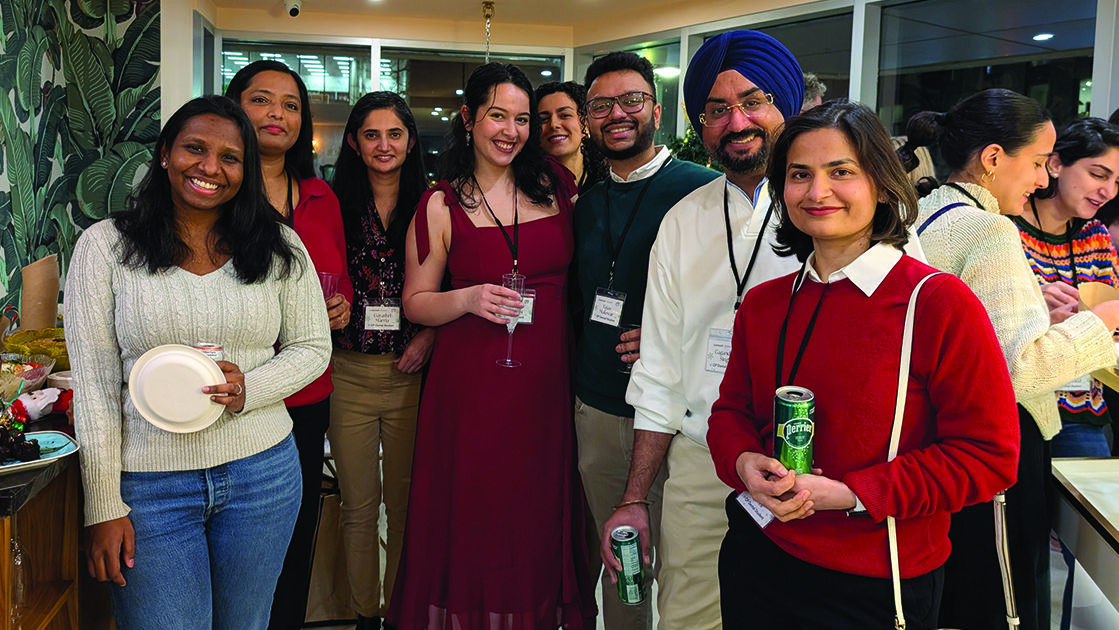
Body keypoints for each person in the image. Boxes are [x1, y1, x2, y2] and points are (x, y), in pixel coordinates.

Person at [708, 100, 1020, 630]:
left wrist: (856, 494)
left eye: (841, 172)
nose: (817, 192)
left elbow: (988, 457)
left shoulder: (935, 303)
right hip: (758, 556)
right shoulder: (765, 304)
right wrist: (743, 463)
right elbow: (730, 412)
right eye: (799, 174)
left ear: (881, 184)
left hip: (875, 578)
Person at [67, 95, 332, 630]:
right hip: (149, 487)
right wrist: (103, 505)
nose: (210, 167)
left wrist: (249, 388)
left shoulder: (278, 245)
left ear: (246, 170)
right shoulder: (104, 247)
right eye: (195, 149)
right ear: (166, 153)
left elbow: (313, 347)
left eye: (230, 157)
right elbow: (94, 386)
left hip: (263, 474)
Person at [598, 31, 802, 630]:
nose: (737, 122)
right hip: (703, 460)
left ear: (786, 106)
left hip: (814, 467)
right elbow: (659, 370)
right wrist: (635, 497)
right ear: (700, 125)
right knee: (688, 615)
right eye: (716, 110)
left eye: (753, 101)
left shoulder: (838, 206)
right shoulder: (683, 221)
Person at [388, 62, 596, 630]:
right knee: (477, 510)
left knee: (534, 511)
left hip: (548, 384)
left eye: (522, 119)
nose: (511, 131)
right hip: (472, 388)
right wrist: (467, 298)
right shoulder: (440, 203)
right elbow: (415, 302)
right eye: (497, 116)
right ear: (468, 118)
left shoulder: (558, 187)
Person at [903, 89, 1119, 630]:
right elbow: (1019, 369)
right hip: (994, 446)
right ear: (994, 158)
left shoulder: (931, 211)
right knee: (1004, 606)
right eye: (1039, 162)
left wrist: (1036, 308)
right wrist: (1102, 322)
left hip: (943, 441)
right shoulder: (990, 229)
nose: (1044, 180)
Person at [571, 50, 719, 630]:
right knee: (623, 560)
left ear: (656, 111)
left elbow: (730, 300)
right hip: (602, 408)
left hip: (683, 414)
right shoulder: (585, 203)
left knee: (686, 567)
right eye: (601, 105)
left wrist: (665, 335)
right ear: (588, 119)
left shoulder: (703, 191)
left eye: (631, 100)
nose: (617, 114)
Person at [225, 60, 353, 630]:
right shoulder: (215, 191)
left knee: (296, 533)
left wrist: (342, 303)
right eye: (261, 99)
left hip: (304, 391)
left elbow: (339, 276)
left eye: (291, 104)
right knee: (237, 541)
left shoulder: (322, 195)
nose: (277, 113)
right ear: (234, 107)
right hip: (231, 390)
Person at [329, 91, 434, 630]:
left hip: (412, 374)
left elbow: (454, 280)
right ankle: (365, 614)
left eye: (395, 134)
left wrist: (430, 336)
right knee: (358, 506)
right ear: (354, 142)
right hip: (347, 373)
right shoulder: (332, 204)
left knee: (406, 504)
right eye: (372, 135)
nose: (384, 145)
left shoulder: (434, 204)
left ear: (410, 141)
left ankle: (400, 612)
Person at [1014, 118, 1119, 457]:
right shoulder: (1007, 227)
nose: (1109, 192)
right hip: (1021, 405)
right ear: (1056, 164)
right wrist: (1037, 304)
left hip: (1081, 406)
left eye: (1118, 181)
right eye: (1099, 175)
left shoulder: (1095, 235)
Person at [535, 81, 608, 193]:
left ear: (586, 123)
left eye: (565, 115)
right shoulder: (525, 188)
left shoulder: (610, 182)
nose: (554, 124)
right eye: (544, 119)